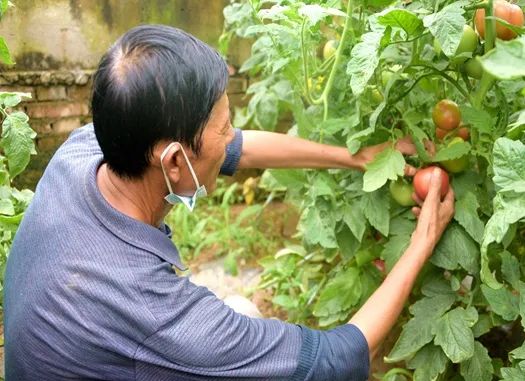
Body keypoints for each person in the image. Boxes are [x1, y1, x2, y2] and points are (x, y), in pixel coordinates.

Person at [3, 25, 454, 380]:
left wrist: (358, 158)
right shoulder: (155, 312)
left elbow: (238, 149)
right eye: (223, 126)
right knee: (244, 325)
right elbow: (333, 362)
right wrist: (422, 241)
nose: (231, 136)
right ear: (175, 161)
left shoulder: (85, 150)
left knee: (241, 312)